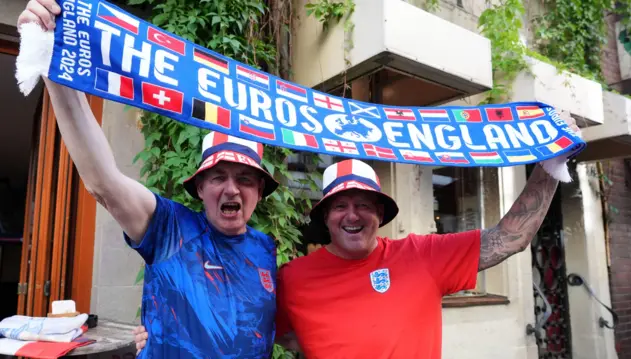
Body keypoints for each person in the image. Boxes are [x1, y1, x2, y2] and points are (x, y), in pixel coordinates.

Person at [135, 117, 581, 358]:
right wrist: (163, 329)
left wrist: (549, 169)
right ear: (326, 216)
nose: (353, 214)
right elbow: (256, 324)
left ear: (381, 214)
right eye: (340, 205)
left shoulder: (422, 255)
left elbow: (510, 237)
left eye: (365, 204)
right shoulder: (292, 276)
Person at [17, 1, 281, 358]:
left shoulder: (266, 250)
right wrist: (53, 60)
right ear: (200, 187)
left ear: (260, 190)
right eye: (218, 176)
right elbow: (104, 183)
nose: (232, 188)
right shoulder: (171, 229)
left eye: (246, 179)